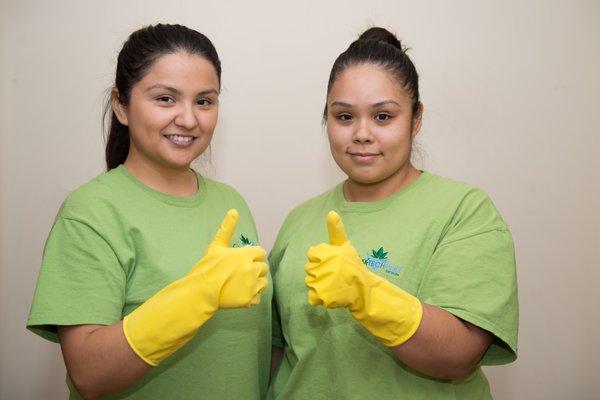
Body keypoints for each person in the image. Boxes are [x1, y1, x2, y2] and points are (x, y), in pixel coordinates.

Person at [268, 27, 518, 399]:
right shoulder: (299, 220)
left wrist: (366, 295)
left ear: (415, 119)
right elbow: (278, 350)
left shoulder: (464, 212)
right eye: (344, 117)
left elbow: (459, 354)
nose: (362, 133)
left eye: (383, 117)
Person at [27, 24, 271, 400]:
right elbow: (90, 375)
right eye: (165, 99)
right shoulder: (91, 213)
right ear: (121, 105)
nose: (189, 119)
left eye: (204, 101)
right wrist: (197, 295)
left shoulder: (232, 204)